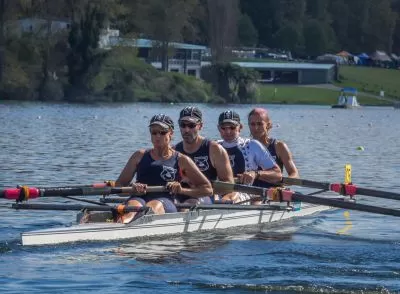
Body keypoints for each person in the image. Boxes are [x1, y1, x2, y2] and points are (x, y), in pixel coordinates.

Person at [115, 114, 212, 223]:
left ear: (171, 133)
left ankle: (134, 226)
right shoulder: (139, 156)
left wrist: (181, 190)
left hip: (166, 201)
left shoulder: (181, 160)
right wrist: (132, 189)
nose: (157, 136)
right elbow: (119, 187)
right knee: (132, 208)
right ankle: (121, 225)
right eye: (154, 132)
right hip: (139, 198)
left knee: (152, 207)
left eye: (162, 132)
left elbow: (207, 189)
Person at [217, 110, 282, 202]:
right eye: (223, 128)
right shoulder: (213, 146)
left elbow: (278, 174)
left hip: (246, 193)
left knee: (229, 197)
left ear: (240, 127)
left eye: (232, 127)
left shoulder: (252, 145)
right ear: (218, 128)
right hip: (218, 192)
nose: (228, 131)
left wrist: (255, 174)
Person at [174, 106, 235, 205]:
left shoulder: (215, 149)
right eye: (183, 125)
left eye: (191, 125)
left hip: (205, 197)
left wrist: (201, 187)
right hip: (179, 196)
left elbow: (229, 186)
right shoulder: (174, 150)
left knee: (190, 203)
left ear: (200, 126)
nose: (186, 130)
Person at [248, 108, 299, 183]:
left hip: (273, 192)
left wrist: (283, 185)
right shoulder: (244, 146)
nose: (256, 128)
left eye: (260, 124)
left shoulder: (279, 146)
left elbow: (295, 175)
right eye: (252, 124)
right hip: (250, 192)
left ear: (267, 125)